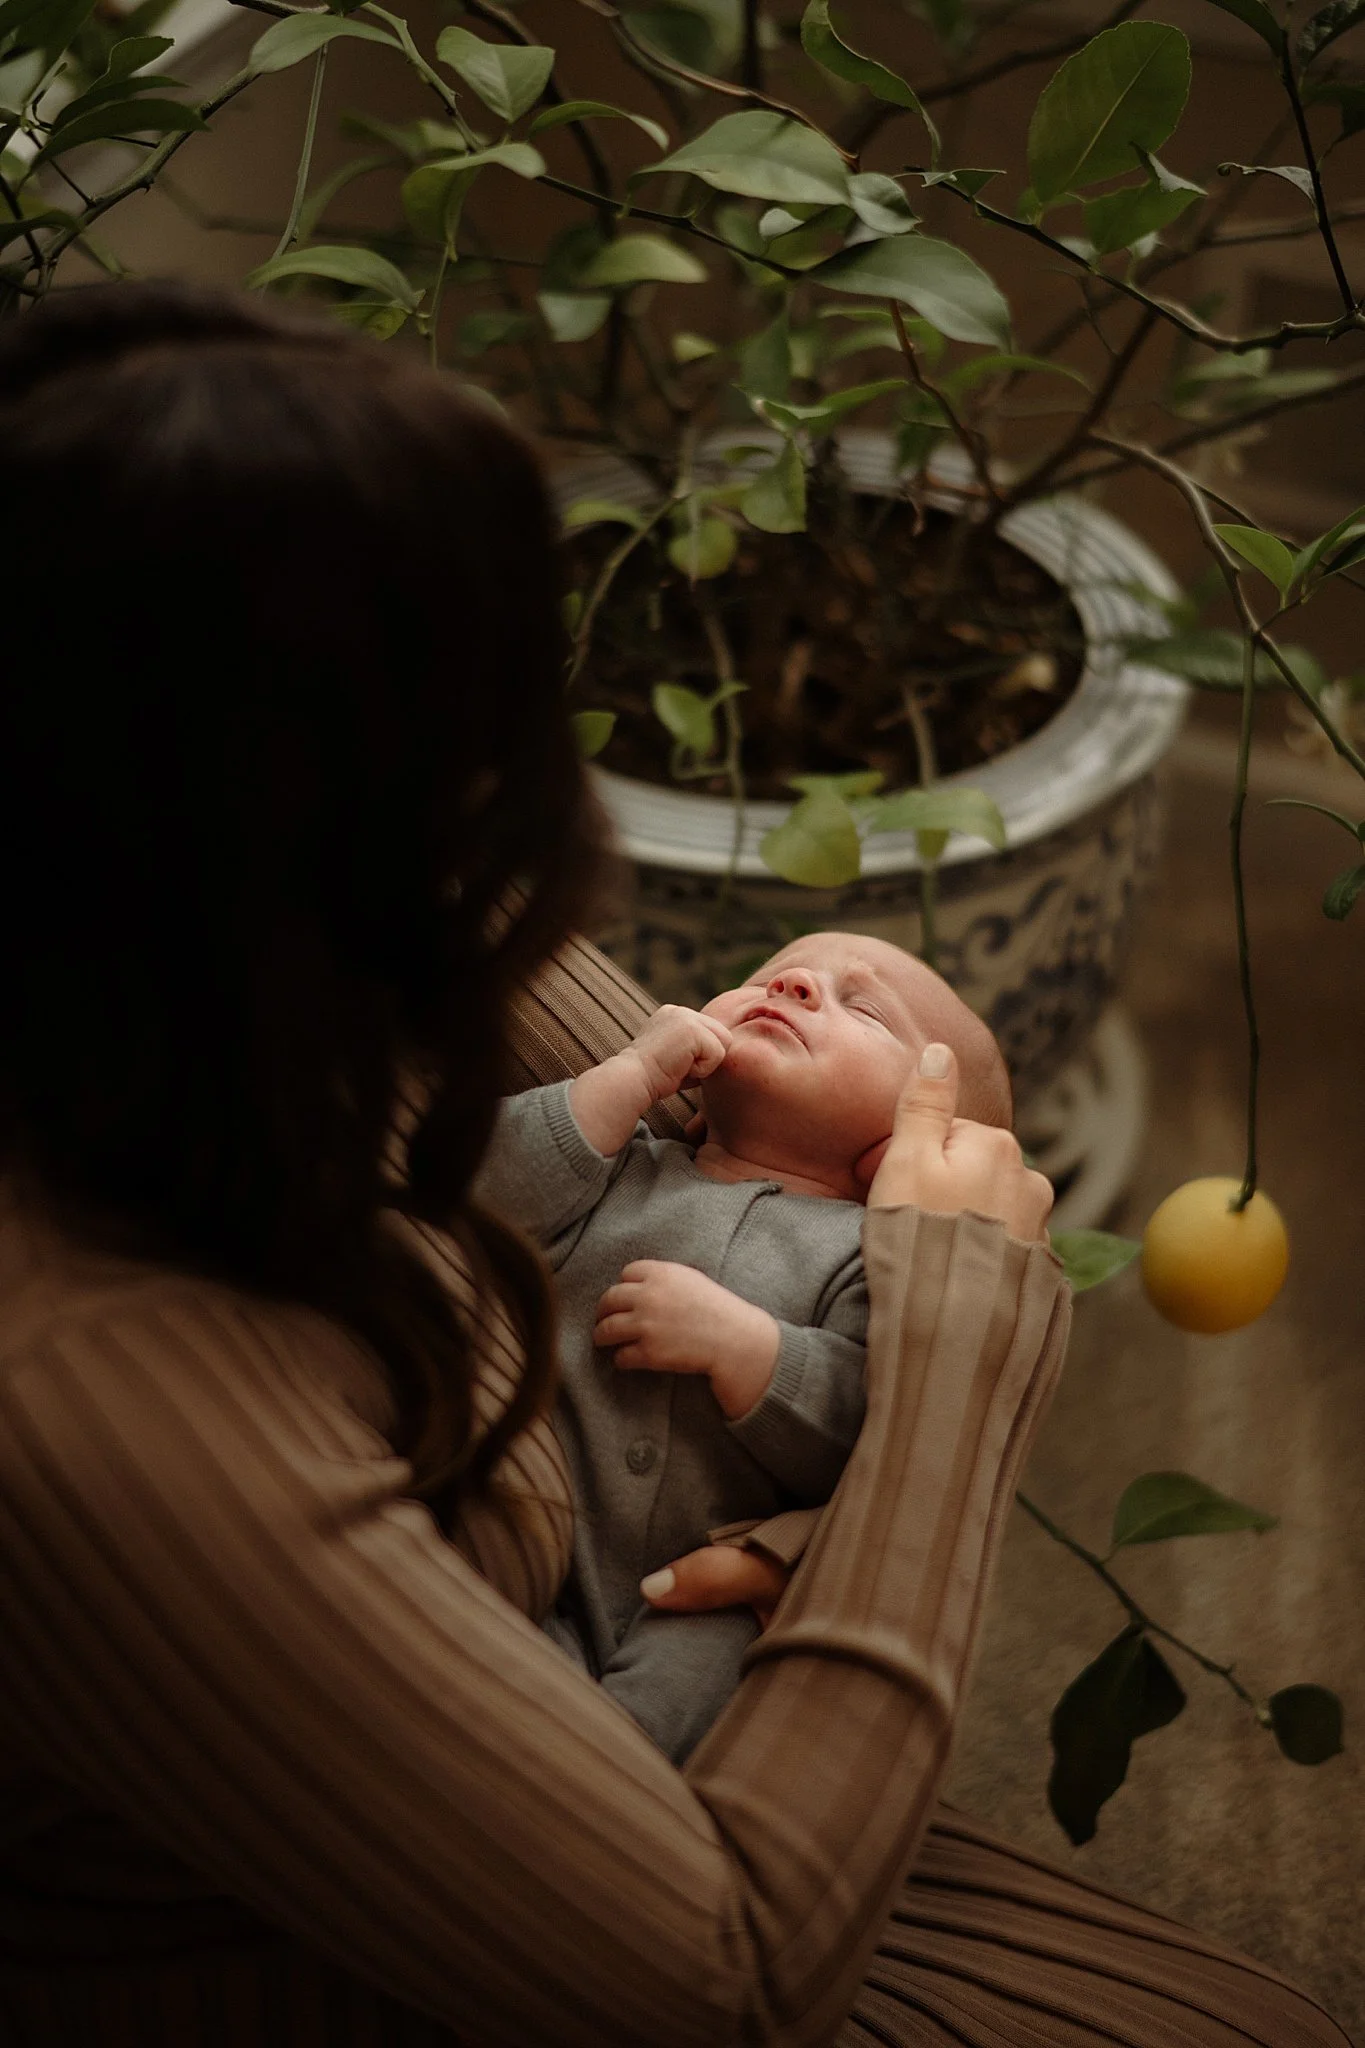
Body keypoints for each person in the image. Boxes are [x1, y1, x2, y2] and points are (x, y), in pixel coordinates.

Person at [0, 281, 1348, 2048]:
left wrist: (824, 1483)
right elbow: (724, 1979)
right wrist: (947, 1392)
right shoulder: (95, 1397)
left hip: (605, 1675)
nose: (568, 795)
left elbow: (617, 1072)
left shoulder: (197, 936)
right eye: (502, 725)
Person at [474, 933, 1015, 1764]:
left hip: (690, 1595)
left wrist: (750, 1351)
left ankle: (605, 1787)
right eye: (765, 978)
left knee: (702, 1666)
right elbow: (479, 1203)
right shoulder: (623, 1165)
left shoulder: (863, 1261)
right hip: (511, 1515)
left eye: (862, 1008)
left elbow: (865, 1436)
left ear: (905, 1150)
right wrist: (626, 1077)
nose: (794, 983)